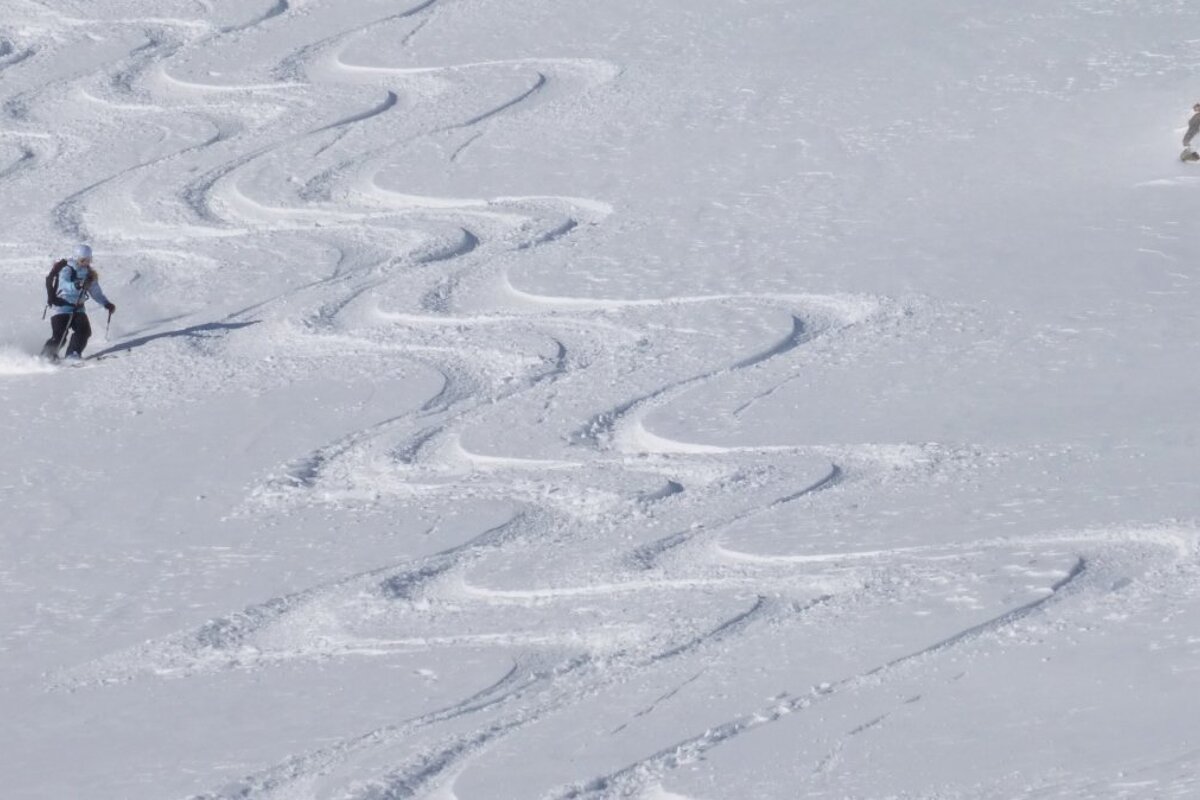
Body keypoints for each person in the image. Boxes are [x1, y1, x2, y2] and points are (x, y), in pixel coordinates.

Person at [41, 243, 116, 361]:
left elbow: (95, 292)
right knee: (60, 335)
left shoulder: (89, 274)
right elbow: (63, 285)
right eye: (83, 260)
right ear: (76, 258)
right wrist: (77, 285)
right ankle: (46, 356)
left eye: (89, 260)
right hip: (62, 307)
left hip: (78, 308)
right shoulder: (67, 269)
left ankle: (73, 354)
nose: (86, 263)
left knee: (84, 331)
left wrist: (106, 303)